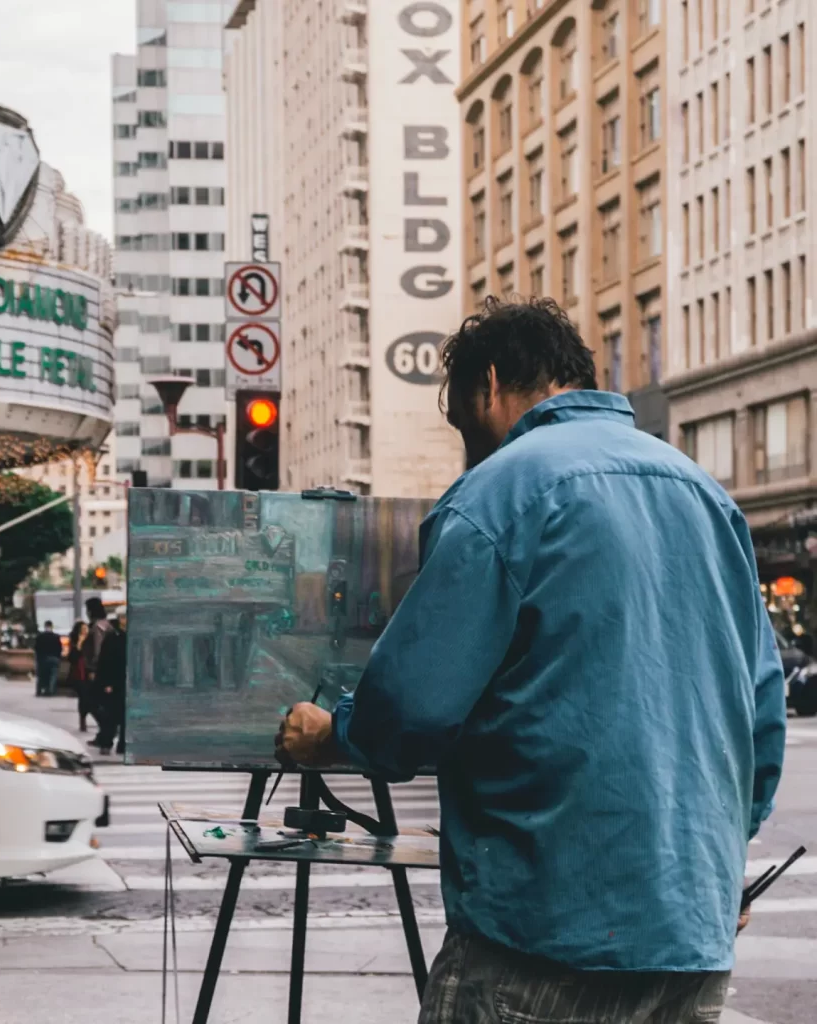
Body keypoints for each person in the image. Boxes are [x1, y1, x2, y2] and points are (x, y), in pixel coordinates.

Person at [275, 298, 787, 1024]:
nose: (471, 450)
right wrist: (715, 859)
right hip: (690, 930)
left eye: (464, 428)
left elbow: (413, 709)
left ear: (489, 384)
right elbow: (762, 719)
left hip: (542, 928)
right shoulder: (706, 495)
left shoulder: (501, 493)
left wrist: (333, 735)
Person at [83, 597, 114, 748]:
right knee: (101, 703)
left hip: (99, 670)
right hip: (107, 669)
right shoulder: (107, 625)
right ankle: (104, 734)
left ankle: (107, 731)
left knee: (92, 702)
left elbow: (98, 650)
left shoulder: (98, 628)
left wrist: (94, 669)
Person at [95, 611, 127, 756]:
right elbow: (104, 661)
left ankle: (123, 744)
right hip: (114, 682)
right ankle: (106, 743)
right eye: (124, 617)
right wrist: (106, 683)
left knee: (128, 716)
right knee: (111, 715)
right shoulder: (112, 637)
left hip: (130, 682)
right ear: (120, 619)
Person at [68, 620, 92, 731]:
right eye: (83, 629)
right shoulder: (74, 642)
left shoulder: (91, 640)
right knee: (83, 698)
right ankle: (83, 720)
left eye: (86, 628)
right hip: (79, 674)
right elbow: (72, 658)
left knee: (89, 698)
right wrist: (79, 644)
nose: (85, 631)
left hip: (89, 673)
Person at [34, 620, 63, 697]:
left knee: (41, 675)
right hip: (54, 658)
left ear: (45, 626)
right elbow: (60, 648)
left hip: (43, 658)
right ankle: (51, 690)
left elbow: (37, 648)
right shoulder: (56, 637)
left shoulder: (40, 637)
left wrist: (38, 658)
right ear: (52, 626)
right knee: (53, 675)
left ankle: (39, 690)